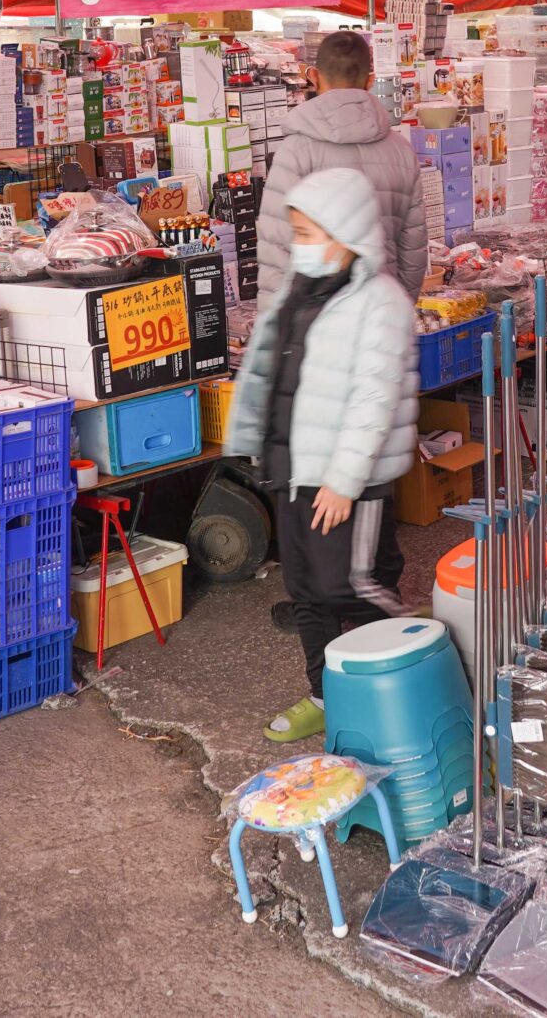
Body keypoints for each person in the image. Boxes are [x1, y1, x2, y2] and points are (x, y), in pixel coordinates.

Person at [224, 169, 419, 742]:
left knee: (350, 586)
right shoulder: (298, 289)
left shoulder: (380, 303)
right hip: (291, 467)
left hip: (345, 477)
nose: (300, 243)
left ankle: (423, 655)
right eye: (298, 231)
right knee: (307, 590)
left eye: (311, 232)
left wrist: (343, 480)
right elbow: (270, 370)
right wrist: (252, 440)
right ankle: (324, 694)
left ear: (348, 232)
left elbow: (373, 398)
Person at [258, 29, 427, 299]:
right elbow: (413, 248)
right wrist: (399, 309)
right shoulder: (401, 151)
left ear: (312, 76)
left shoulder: (296, 151)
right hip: (380, 312)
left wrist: (276, 324)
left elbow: (276, 247)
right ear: (371, 81)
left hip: (316, 317)